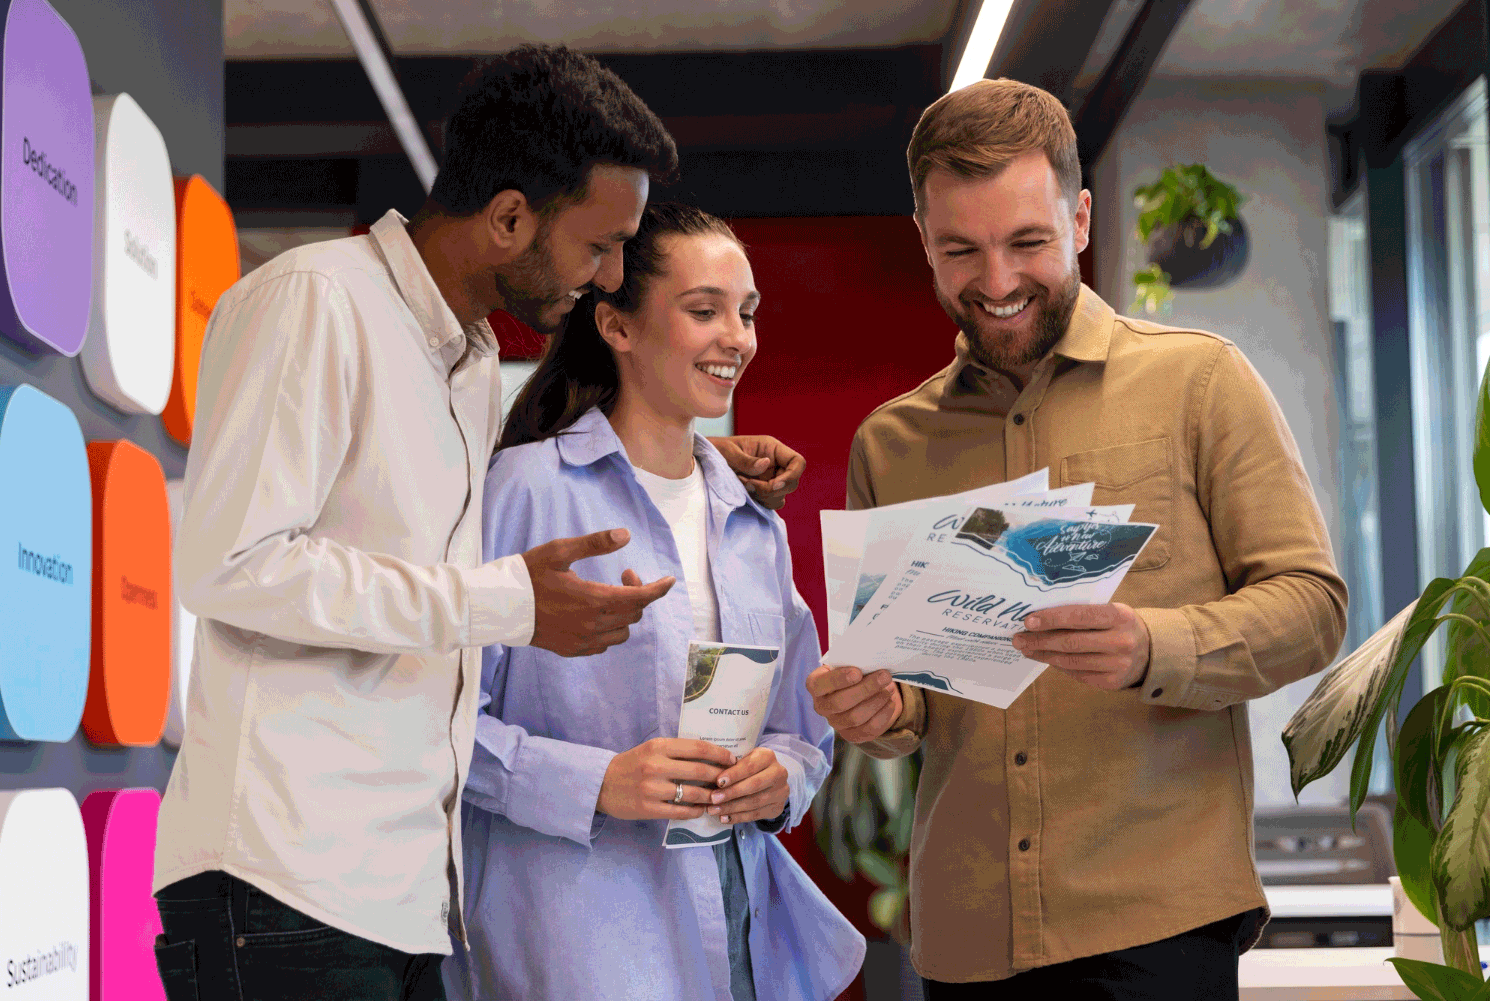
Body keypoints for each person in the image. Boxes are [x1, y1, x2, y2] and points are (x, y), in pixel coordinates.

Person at [152, 46, 807, 1001]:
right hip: (284, 886)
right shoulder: (316, 301)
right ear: (508, 217)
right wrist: (505, 600)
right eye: (601, 245)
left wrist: (703, 465)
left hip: (409, 900)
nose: (613, 273)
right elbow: (232, 564)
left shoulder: (463, 365)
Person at [805, 79, 1348, 998]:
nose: (999, 281)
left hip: (1159, 921)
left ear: (1082, 218)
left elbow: (1312, 607)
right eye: (960, 251)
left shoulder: (1200, 384)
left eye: (1028, 242)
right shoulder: (889, 444)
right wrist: (881, 712)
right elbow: (917, 700)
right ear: (924, 244)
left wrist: (1153, 644)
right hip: (970, 934)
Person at [442, 202, 866, 1001]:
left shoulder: (751, 523)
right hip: (574, 947)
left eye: (746, 314)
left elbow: (803, 728)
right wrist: (596, 780)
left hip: (739, 938)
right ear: (618, 326)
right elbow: (443, 720)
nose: (736, 338)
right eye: (704, 310)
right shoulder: (527, 489)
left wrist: (784, 777)